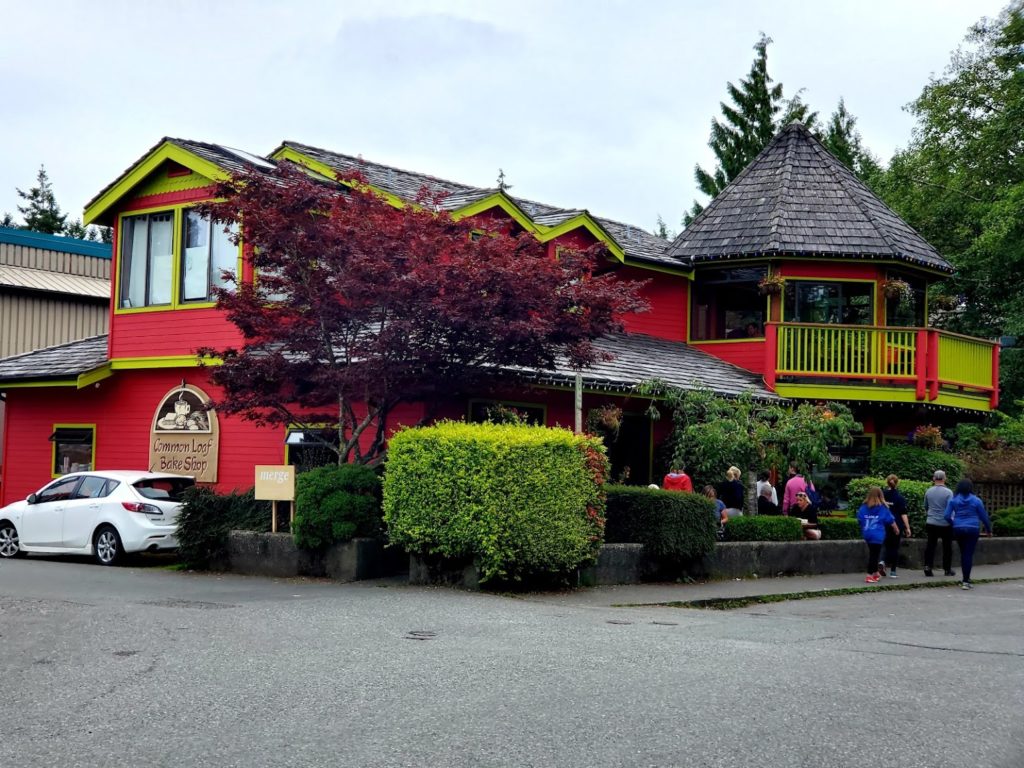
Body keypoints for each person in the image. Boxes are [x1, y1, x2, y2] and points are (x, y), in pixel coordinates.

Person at [944, 479, 993, 590]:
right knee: (968, 554)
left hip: (958, 528)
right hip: (972, 528)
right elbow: (984, 517)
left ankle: (965, 579)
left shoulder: (953, 500)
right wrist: (988, 530)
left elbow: (946, 515)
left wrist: (954, 523)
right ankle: (966, 580)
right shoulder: (976, 500)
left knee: (963, 553)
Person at [857, 486, 899, 584]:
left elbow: (859, 519)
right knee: (874, 555)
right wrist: (896, 529)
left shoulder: (864, 507)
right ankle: (869, 575)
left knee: (873, 552)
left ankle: (875, 573)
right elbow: (891, 520)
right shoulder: (882, 508)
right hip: (877, 534)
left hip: (867, 533)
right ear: (881, 495)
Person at [923, 470, 955, 577]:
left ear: (934, 479)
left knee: (931, 545)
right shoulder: (949, 492)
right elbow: (951, 508)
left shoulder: (928, 491)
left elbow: (926, 506)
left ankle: (927, 567)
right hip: (945, 523)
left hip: (931, 522)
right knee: (947, 547)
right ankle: (947, 569)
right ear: (944, 479)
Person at [881, 474, 911, 577]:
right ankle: (893, 571)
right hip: (897, 524)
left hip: (883, 523)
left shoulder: (882, 495)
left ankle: (882, 560)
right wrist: (907, 527)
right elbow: (903, 514)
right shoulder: (899, 497)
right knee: (894, 547)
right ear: (897, 483)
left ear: (887, 482)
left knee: (884, 544)